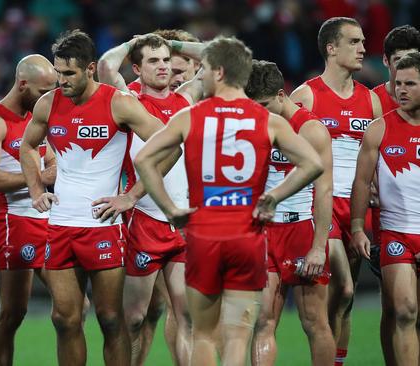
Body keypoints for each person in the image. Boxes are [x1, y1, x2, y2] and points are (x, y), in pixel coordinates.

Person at [134, 36, 323, 366]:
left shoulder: (190, 116)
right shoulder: (269, 120)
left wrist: (171, 210)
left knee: (202, 333)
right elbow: (313, 164)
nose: (200, 76)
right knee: (237, 334)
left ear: (219, 73)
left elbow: (145, 160)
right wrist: (274, 197)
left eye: (204, 70)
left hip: (204, 234)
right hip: (246, 235)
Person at [19, 29, 177, 366]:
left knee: (110, 318)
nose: (61, 81)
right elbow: (27, 145)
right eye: (58, 72)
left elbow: (170, 146)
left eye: (69, 74)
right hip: (60, 224)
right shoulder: (48, 104)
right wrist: (35, 189)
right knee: (64, 320)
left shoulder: (118, 103)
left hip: (104, 226)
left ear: (90, 69)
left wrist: (131, 196)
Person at [98, 33, 203, 365]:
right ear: (136, 68)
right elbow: (104, 65)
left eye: (165, 60)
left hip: (183, 220)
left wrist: (174, 46)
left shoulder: (186, 97)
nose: (163, 66)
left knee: (188, 316)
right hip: (142, 218)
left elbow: (216, 55)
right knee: (133, 319)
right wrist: (135, 42)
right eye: (153, 61)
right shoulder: (128, 100)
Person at [290, 17, 382, 365]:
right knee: (340, 288)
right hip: (321, 206)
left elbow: (380, 154)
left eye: (362, 42)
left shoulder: (371, 102)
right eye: (354, 42)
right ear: (331, 48)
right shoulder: (307, 96)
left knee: (347, 300)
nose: (363, 49)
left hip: (357, 208)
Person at [245, 60, 335, 366]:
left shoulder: (311, 130)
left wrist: (319, 248)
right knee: (263, 321)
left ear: (282, 96)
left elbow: (324, 191)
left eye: (266, 104)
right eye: (254, 105)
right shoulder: (252, 124)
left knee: (314, 322)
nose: (261, 112)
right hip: (263, 233)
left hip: (300, 231)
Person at [0, 54, 58, 366]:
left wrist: (47, 173)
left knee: (71, 306)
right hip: (15, 223)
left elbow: (53, 163)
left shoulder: (39, 120)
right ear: (23, 84)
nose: (47, 98)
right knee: (12, 313)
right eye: (42, 91)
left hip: (49, 219)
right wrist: (34, 177)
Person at [350, 52, 420, 366]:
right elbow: (362, 183)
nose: (401, 90)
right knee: (404, 311)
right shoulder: (378, 129)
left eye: (411, 84)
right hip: (396, 234)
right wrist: (355, 226)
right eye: (397, 83)